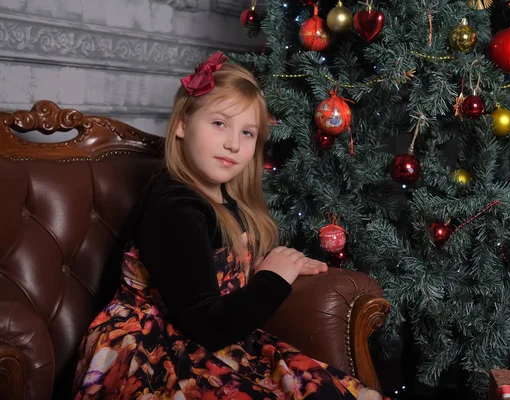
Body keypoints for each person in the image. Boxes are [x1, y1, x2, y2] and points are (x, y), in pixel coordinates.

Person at [72, 51, 388, 399]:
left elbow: (214, 276)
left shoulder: (221, 199)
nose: (233, 144)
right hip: (153, 348)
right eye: (219, 123)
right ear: (182, 125)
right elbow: (209, 324)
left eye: (248, 132)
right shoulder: (176, 209)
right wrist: (273, 279)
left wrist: (287, 267)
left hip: (211, 337)